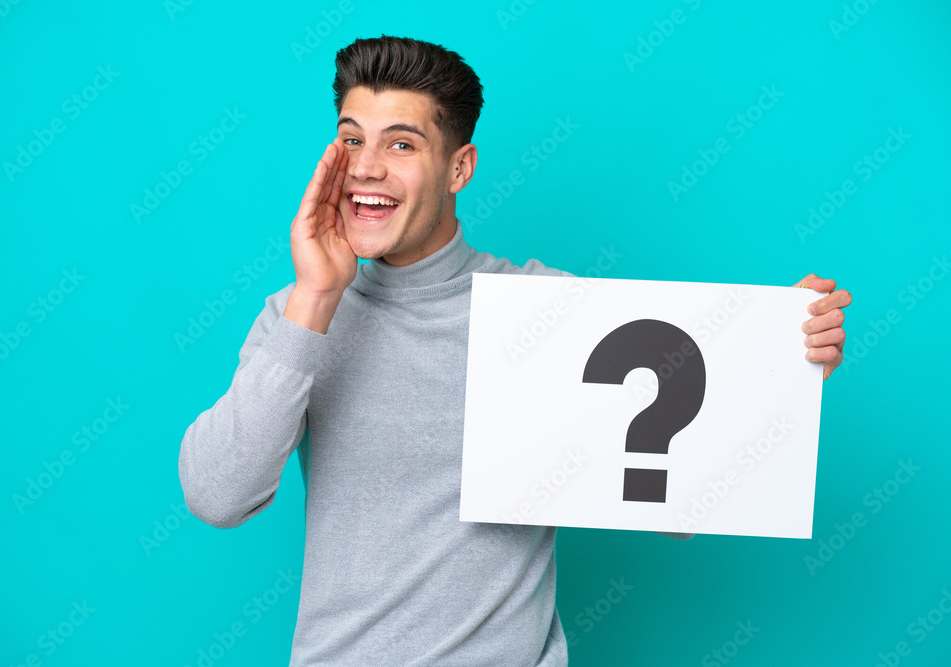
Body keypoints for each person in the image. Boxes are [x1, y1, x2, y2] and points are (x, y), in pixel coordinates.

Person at [178, 36, 851, 666]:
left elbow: (679, 499)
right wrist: (316, 297)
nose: (367, 168)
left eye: (402, 144)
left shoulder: (549, 313)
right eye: (351, 139)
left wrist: (771, 359)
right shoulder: (299, 314)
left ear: (459, 168)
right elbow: (218, 494)